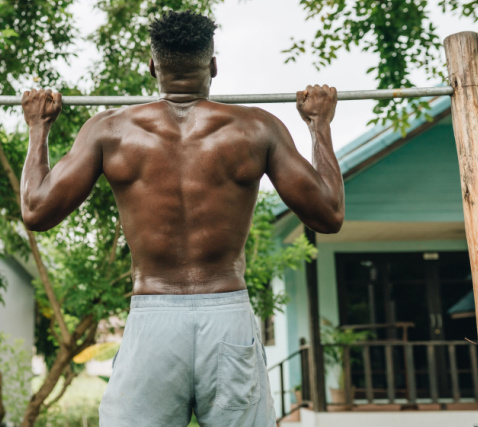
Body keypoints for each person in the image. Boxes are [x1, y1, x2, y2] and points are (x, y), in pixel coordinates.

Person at [20, 10, 344, 427]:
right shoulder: (257, 128)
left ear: (153, 65)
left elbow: (36, 211)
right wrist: (319, 125)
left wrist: (38, 128)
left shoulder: (110, 130)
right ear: (212, 65)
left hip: (153, 316)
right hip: (227, 316)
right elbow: (329, 214)